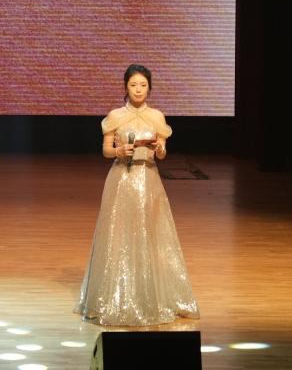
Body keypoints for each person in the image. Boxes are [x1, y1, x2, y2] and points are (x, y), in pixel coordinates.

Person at [75, 64, 199, 326]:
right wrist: (118, 152)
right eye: (133, 85)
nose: (138, 90)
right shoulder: (115, 116)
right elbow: (106, 150)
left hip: (148, 179)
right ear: (125, 87)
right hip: (121, 180)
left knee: (151, 234)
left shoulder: (156, 117)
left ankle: (150, 295)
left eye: (143, 85)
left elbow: (162, 152)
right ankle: (114, 296)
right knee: (119, 235)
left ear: (150, 87)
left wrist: (159, 149)